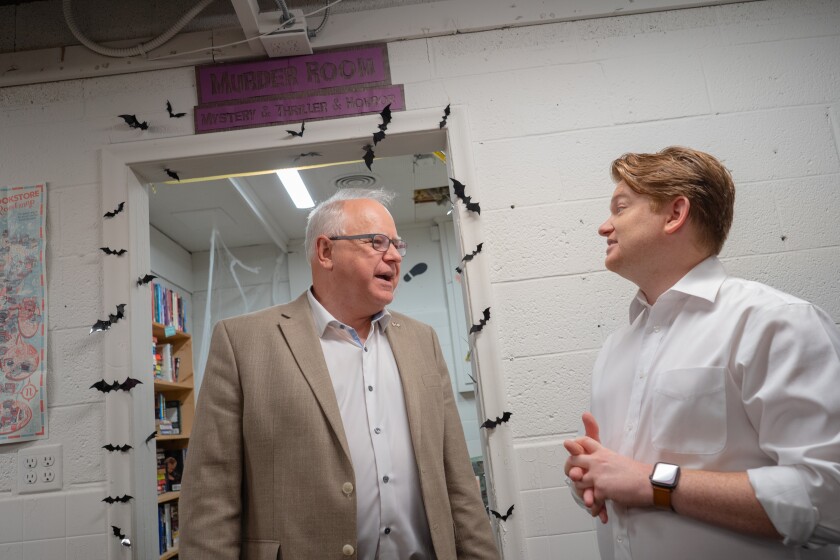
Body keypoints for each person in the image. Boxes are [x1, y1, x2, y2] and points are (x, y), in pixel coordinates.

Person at [180, 188, 499, 560]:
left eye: (397, 244)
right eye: (377, 242)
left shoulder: (421, 341)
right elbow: (210, 499)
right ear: (326, 251)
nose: (394, 256)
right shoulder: (242, 343)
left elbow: (458, 483)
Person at [564, 147, 840, 559]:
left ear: (675, 214)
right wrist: (590, 475)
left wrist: (652, 483)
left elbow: (828, 500)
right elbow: (620, 477)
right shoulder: (614, 349)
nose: (604, 227)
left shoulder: (775, 323)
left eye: (620, 208)